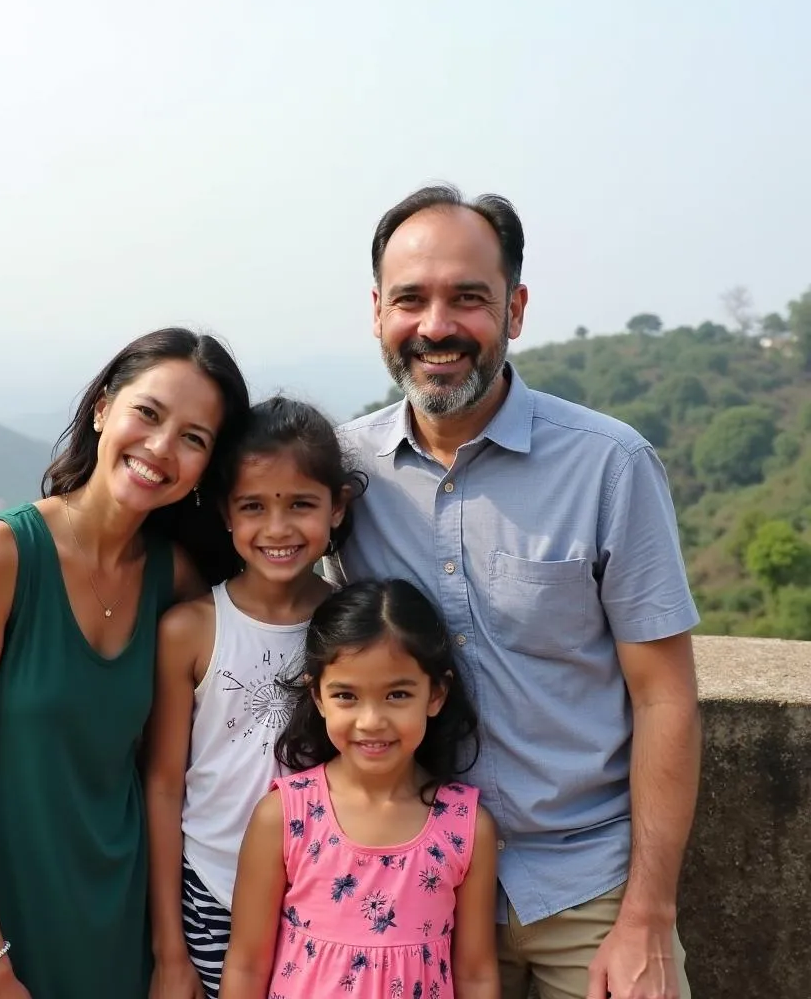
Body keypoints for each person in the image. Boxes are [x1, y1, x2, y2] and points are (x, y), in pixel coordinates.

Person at [323, 185, 701, 999]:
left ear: (516, 308)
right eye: (410, 300)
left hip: (588, 891)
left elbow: (664, 696)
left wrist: (646, 916)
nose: (436, 327)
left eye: (469, 298)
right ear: (377, 312)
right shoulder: (341, 472)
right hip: (416, 893)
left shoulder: (608, 465)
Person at [0, 328, 250, 999]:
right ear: (102, 409)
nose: (159, 449)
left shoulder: (174, 582)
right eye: (148, 414)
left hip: (116, 921)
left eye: (193, 438)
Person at [146, 396, 362, 999]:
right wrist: (169, 951)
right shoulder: (189, 630)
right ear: (225, 514)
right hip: (209, 893)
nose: (277, 528)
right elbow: (164, 785)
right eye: (253, 507)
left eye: (300, 504)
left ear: (337, 507)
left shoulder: (351, 628)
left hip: (325, 896)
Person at [220, 579, 499, 999]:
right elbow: (246, 965)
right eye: (346, 695)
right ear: (317, 696)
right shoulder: (284, 816)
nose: (371, 720)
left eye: (397, 694)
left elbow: (476, 973)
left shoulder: (465, 826)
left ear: (436, 694)